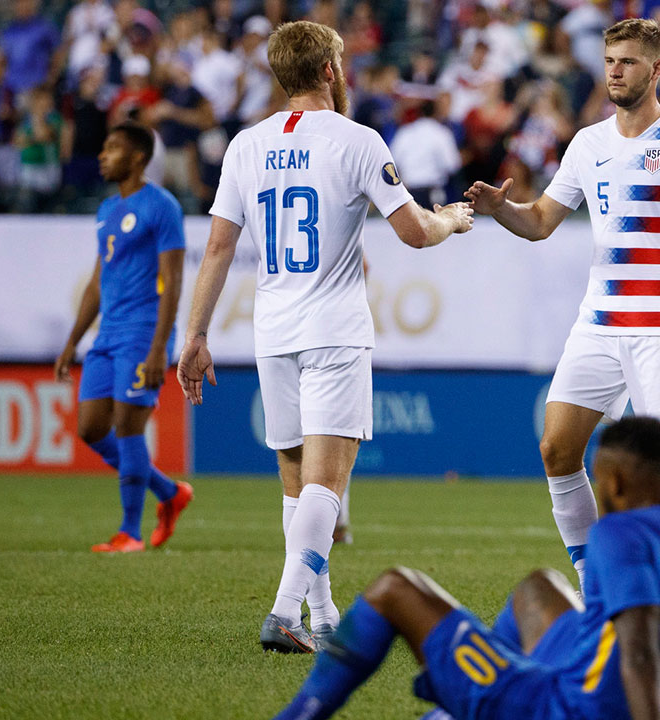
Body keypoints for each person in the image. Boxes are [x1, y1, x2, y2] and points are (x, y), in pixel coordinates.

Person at [175, 20, 473, 655]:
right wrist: (450, 218)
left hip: (273, 329)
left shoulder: (245, 146)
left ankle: (325, 614)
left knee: (296, 483)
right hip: (333, 330)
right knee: (327, 485)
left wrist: (195, 333)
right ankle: (285, 613)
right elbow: (415, 231)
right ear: (331, 72)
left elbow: (219, 248)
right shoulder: (357, 140)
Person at [270, 417, 660, 720]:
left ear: (614, 484)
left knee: (393, 589)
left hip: (560, 709)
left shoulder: (618, 534)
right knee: (540, 590)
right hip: (589, 677)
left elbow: (638, 653)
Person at [464, 19, 660, 592]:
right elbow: (540, 221)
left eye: (629, 62)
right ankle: (596, 584)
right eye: (610, 60)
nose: (615, 70)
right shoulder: (588, 144)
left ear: (657, 70)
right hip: (598, 324)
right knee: (556, 448)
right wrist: (500, 209)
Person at [53, 123, 194, 554]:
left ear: (138, 158)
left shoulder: (162, 206)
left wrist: (159, 347)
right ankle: (170, 493)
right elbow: (97, 283)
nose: (102, 155)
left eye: (113, 148)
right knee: (91, 428)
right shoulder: (106, 210)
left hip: (142, 332)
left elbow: (173, 279)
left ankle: (129, 532)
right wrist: (72, 340)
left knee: (128, 427)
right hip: (107, 334)